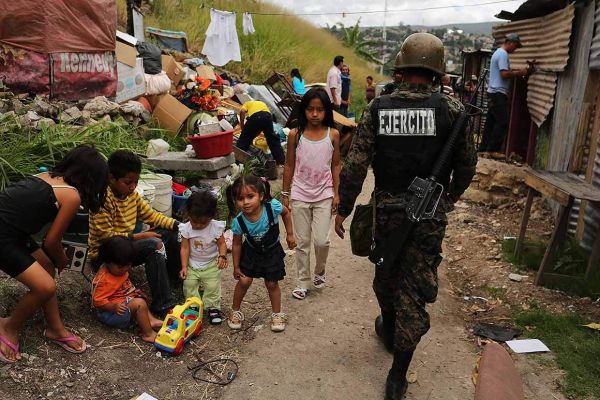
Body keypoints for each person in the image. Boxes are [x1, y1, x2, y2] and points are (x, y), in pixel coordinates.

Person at [334, 33, 477, 399]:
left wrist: (345, 208)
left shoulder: (379, 108)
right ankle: (398, 372)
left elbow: (355, 166)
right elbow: (466, 166)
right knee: (415, 288)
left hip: (388, 212)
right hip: (428, 215)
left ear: (401, 67)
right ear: (437, 72)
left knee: (386, 274)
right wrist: (448, 200)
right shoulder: (453, 112)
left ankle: (390, 326)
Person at [0, 145, 108, 363]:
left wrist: (54, 261)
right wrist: (62, 259)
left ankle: (55, 328)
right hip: (3, 235)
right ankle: (9, 326)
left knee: (46, 267)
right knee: (45, 286)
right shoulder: (72, 196)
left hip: (12, 231)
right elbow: (52, 240)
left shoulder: (45, 175)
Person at [88, 150, 180, 317]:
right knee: (154, 245)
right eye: (127, 182)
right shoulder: (102, 199)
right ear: (111, 178)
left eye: (135, 182)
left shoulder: (132, 196)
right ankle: (164, 305)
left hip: (126, 247)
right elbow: (106, 236)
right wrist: (139, 237)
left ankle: (176, 281)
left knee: (170, 234)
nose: (132, 187)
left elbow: (151, 215)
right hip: (106, 255)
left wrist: (177, 225)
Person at [282, 88, 341, 300]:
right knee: (303, 242)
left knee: (322, 241)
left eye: (320, 110)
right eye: (310, 109)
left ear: (326, 111)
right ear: (303, 110)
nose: (315, 114)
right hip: (299, 193)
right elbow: (289, 165)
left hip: (324, 194)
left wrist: (336, 193)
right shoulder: (294, 135)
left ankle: (320, 270)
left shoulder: (333, 134)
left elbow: (335, 166)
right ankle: (302, 281)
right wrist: (285, 193)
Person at [225, 176, 296, 332]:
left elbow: (286, 213)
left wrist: (290, 234)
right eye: (240, 198)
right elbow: (237, 244)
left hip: (272, 251)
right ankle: (235, 310)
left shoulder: (272, 207)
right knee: (244, 281)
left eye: (250, 196)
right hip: (251, 252)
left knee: (272, 283)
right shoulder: (239, 221)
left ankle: (277, 314)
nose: (246, 202)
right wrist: (236, 266)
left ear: (261, 196)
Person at [92, 236, 163, 343]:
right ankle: (148, 334)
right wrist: (113, 307)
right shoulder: (105, 280)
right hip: (110, 314)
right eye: (121, 267)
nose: (125, 269)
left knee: (140, 299)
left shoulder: (116, 271)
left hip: (122, 303)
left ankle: (151, 321)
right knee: (139, 304)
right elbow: (97, 301)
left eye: (128, 265)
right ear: (108, 261)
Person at [179, 190, 228, 325]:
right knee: (189, 284)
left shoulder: (215, 228)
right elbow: (185, 248)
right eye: (195, 222)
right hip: (192, 263)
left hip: (211, 263)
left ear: (211, 217)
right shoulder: (187, 229)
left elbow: (222, 243)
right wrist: (184, 266)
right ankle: (193, 305)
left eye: (203, 223)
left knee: (212, 285)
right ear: (188, 214)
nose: (198, 225)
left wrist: (222, 256)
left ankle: (212, 307)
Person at [479, 33, 532, 154]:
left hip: (493, 93)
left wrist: (516, 71)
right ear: (511, 43)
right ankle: (493, 151)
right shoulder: (503, 54)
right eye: (516, 46)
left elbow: (503, 72)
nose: (515, 49)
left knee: (490, 123)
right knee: (502, 122)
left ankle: (483, 149)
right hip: (498, 93)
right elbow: (504, 74)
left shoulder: (498, 53)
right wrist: (521, 72)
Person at [236, 100, 286, 166]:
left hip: (256, 116)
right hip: (268, 117)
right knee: (273, 140)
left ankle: (237, 162)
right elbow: (258, 127)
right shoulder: (262, 103)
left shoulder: (247, 103)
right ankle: (281, 162)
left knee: (243, 140)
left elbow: (242, 111)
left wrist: (242, 126)